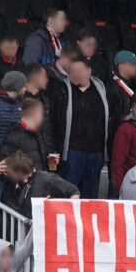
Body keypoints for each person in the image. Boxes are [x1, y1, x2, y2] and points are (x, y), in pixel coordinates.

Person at [45, 56, 111, 197]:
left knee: (90, 194)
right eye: (73, 71)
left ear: (89, 71)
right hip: (72, 151)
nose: (76, 74)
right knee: (69, 191)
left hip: (96, 152)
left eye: (79, 70)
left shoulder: (101, 89)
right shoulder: (62, 91)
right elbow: (54, 122)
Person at [0, 153, 79, 219]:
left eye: (8, 173)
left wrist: (61, 212)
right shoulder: (20, 185)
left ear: (18, 172)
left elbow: (74, 191)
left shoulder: (47, 179)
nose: (6, 175)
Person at [0, 97, 52, 170]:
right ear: (35, 114)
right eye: (41, 114)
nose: (43, 117)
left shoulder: (39, 135)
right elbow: (5, 166)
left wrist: (50, 163)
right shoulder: (13, 136)